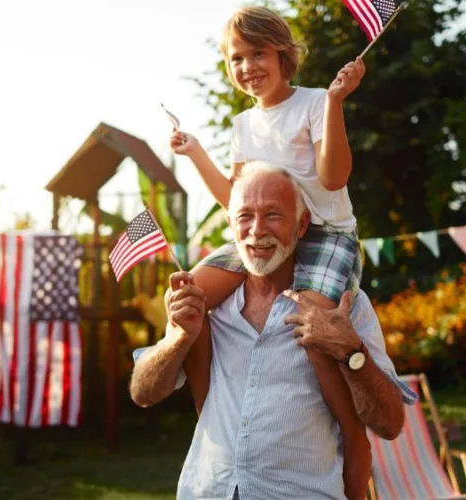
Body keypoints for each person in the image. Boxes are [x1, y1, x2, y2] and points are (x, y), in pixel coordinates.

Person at [169, 6, 371, 497]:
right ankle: (214, 417)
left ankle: (351, 436)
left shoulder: (314, 103)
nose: (246, 67)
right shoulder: (242, 125)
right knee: (191, 294)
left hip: (324, 237)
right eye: (236, 58)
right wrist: (196, 150)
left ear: (284, 56)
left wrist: (338, 102)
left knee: (315, 328)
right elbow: (234, 199)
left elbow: (334, 178)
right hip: (266, 235)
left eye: (257, 53)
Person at [130, 164, 416, 500]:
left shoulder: (344, 306)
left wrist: (350, 350)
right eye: (245, 216)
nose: (257, 230)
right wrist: (179, 337)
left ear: (302, 225)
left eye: (273, 215)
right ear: (230, 225)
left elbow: (390, 423)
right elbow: (143, 392)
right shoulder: (204, 307)